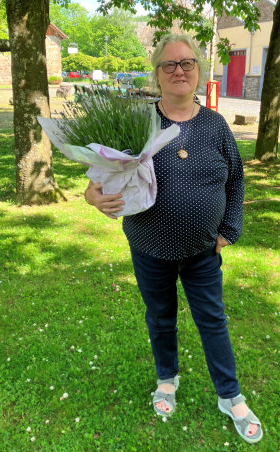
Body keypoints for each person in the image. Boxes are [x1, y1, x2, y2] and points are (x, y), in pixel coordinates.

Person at [84, 34, 263, 444]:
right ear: (158, 74)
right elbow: (96, 180)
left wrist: (228, 231)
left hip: (203, 251)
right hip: (149, 247)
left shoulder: (215, 124)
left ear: (198, 71)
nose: (179, 70)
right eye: (169, 65)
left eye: (187, 63)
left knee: (212, 320)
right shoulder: (138, 122)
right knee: (160, 317)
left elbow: (236, 180)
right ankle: (167, 379)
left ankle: (229, 394)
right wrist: (95, 198)